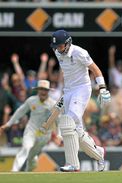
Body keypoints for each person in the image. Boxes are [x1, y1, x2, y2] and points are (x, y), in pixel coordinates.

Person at [50, 30, 111, 172]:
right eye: (56, 46)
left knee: (67, 122)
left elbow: (95, 69)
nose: (58, 49)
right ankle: (99, 153)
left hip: (82, 89)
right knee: (76, 131)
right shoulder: (58, 52)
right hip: (68, 91)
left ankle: (73, 164)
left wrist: (102, 88)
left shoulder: (79, 52)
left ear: (68, 42)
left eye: (60, 46)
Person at [0, 80, 57, 171]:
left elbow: (58, 119)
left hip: (44, 134)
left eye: (45, 90)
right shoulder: (31, 100)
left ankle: (30, 168)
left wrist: (59, 135)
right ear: (38, 90)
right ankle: (14, 171)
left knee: (31, 155)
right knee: (26, 148)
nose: (43, 92)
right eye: (41, 89)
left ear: (48, 91)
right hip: (31, 130)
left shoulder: (53, 104)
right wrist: (8, 124)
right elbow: (20, 112)